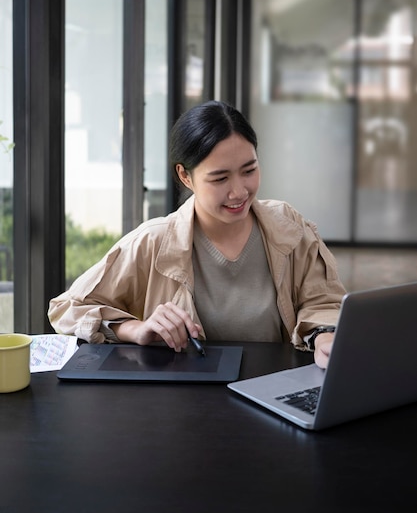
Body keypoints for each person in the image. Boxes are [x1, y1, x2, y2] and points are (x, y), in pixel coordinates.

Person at [48, 101, 346, 369]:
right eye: (220, 178)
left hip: (276, 389)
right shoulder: (154, 241)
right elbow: (67, 309)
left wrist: (323, 336)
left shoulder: (288, 225)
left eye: (249, 170)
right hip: (188, 404)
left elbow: (323, 300)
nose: (239, 191)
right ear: (185, 176)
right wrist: (134, 329)